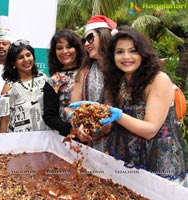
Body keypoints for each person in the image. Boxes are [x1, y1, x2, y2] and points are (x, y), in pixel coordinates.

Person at [103, 27, 186, 181]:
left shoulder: (158, 79)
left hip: (159, 162)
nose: (126, 56)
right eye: (120, 52)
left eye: (133, 50)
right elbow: (106, 115)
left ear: (143, 53)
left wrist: (118, 116)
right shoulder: (118, 79)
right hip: (127, 160)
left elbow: (150, 130)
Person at [68, 15, 118, 152]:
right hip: (91, 145)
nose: (86, 44)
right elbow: (72, 108)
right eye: (84, 40)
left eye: (90, 38)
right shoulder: (83, 72)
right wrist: (78, 127)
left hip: (120, 143)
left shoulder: (123, 70)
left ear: (104, 36)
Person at [0, 39, 50, 133]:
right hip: (19, 142)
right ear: (13, 63)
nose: (26, 59)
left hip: (44, 138)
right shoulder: (9, 87)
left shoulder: (43, 78)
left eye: (28, 55)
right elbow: (4, 121)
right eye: (20, 57)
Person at [43, 29, 87, 136]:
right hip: (70, 140)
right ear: (54, 52)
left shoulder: (89, 72)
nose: (64, 51)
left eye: (69, 46)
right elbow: (50, 117)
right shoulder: (54, 81)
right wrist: (72, 130)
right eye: (59, 48)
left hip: (98, 135)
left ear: (77, 48)